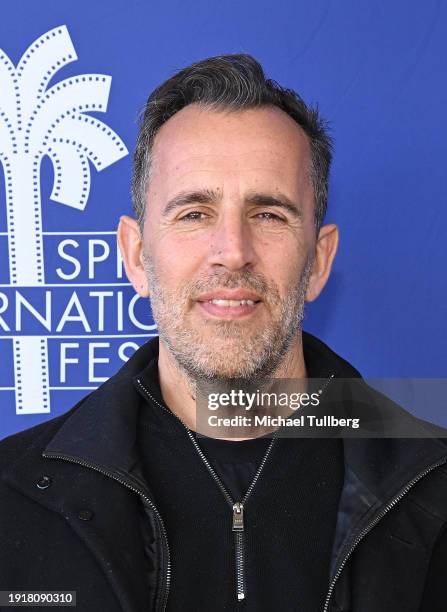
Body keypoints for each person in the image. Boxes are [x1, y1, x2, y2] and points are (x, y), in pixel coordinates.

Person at [1, 54, 446, 612]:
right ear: (136, 256)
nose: (232, 251)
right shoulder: (13, 496)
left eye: (269, 214)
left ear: (319, 260)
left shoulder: (432, 487)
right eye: (194, 214)